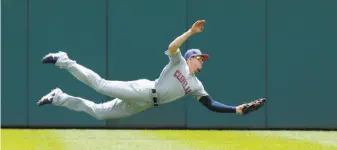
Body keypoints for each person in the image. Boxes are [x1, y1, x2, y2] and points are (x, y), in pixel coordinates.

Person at [37, 20, 266, 120]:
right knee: (101, 85)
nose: (202, 62)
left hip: (144, 104)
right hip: (145, 90)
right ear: (190, 58)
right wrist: (190, 33)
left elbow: (211, 105)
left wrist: (237, 109)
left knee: (99, 113)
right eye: (199, 58)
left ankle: (59, 97)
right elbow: (172, 47)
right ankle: (63, 60)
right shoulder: (179, 62)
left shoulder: (197, 85)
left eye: (202, 59)